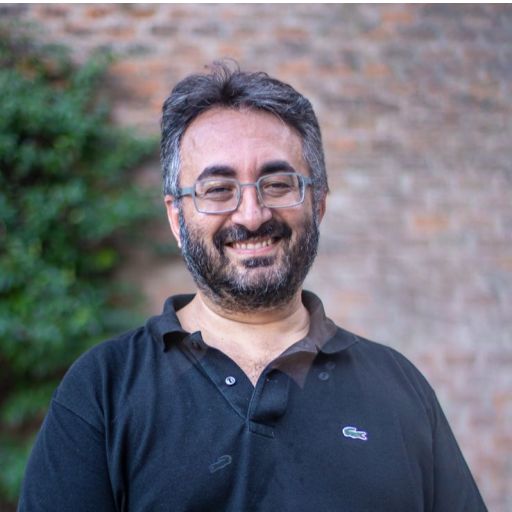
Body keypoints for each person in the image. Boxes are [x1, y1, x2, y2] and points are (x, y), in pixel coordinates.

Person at [18, 62, 487, 511]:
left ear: (318, 203)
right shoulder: (103, 390)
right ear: (176, 217)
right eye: (218, 189)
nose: (252, 214)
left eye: (278, 184)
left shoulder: (398, 388)